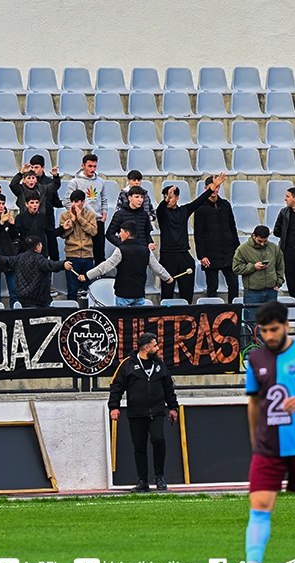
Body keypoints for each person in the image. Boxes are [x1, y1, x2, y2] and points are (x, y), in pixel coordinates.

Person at [223, 300, 295, 563]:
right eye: (265, 331)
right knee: (259, 505)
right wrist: (255, 441)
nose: (270, 336)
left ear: (287, 326)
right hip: (268, 448)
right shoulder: (256, 360)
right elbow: (254, 403)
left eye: (275, 330)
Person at [108, 333, 179, 492]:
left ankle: (159, 477)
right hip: (136, 413)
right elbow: (116, 386)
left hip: (157, 411)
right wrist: (114, 407)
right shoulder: (127, 364)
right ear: (146, 348)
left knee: (158, 440)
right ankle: (142, 481)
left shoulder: (160, 364)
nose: (158, 348)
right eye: (155, 345)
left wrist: (173, 407)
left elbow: (168, 387)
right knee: (139, 447)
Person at [79, 224, 173, 307]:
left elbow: (105, 267)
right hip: (138, 293)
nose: (119, 234)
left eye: (121, 231)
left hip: (123, 294)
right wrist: (167, 278)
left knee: (122, 321)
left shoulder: (121, 250)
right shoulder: (146, 251)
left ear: (127, 234)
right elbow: (157, 268)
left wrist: (87, 275)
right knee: (137, 321)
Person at [156, 177, 218, 303]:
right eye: (165, 197)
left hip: (184, 255)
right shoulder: (163, 213)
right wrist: (167, 198)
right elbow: (160, 209)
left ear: (177, 198)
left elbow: (199, 201)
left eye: (171, 197)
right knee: (167, 293)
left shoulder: (184, 210)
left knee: (187, 293)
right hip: (168, 256)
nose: (167, 200)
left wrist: (211, 188)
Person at [0, 236, 73, 309]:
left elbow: (7, 260)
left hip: (22, 298)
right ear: (38, 247)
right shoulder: (39, 259)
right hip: (38, 299)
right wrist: (63, 264)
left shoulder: (19, 258)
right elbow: (51, 264)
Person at [194, 174, 239, 302]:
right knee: (212, 286)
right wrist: (202, 255)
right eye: (212, 187)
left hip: (228, 251)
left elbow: (232, 228)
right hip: (211, 253)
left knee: (234, 284)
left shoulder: (225, 205)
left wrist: (237, 249)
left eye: (217, 187)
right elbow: (199, 234)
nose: (215, 190)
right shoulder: (201, 209)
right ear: (206, 188)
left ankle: (233, 312)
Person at [65, 154, 108, 265]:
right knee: (83, 251)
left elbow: (104, 199)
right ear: (83, 165)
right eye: (90, 166)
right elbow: (67, 201)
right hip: (81, 220)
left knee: (99, 252)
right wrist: (76, 214)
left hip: (97, 220)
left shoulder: (100, 182)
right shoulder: (74, 182)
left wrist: (104, 214)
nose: (92, 169)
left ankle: (100, 277)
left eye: (94, 166)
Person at [10, 161, 61, 254]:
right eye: (28, 178)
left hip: (39, 221)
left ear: (36, 180)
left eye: (33, 178)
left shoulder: (42, 189)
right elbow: (12, 185)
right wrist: (21, 173)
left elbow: (55, 186)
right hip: (25, 223)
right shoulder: (21, 190)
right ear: (24, 180)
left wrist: (56, 176)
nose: (31, 180)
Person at [232, 225, 284, 310]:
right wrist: (253, 267)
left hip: (271, 290)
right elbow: (236, 268)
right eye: (260, 241)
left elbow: (280, 266)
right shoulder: (242, 249)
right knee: (252, 322)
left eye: (265, 241)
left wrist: (279, 283)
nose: (262, 244)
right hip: (252, 292)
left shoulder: (274, 247)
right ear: (254, 236)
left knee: (271, 322)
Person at [58, 190, 97, 302]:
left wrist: (80, 219)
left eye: (76, 201)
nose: (74, 204)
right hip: (72, 256)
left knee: (89, 289)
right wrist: (73, 221)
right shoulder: (65, 216)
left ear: (83, 202)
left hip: (87, 255)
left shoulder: (90, 215)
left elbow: (94, 231)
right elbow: (63, 235)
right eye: (72, 202)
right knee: (72, 289)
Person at [27, 154, 64, 260]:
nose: (33, 170)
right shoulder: (28, 182)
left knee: (52, 248)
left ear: (43, 167)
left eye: (36, 167)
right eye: (32, 167)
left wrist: (66, 202)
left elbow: (55, 201)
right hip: (32, 219)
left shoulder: (49, 182)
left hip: (47, 218)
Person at [106, 185, 154, 249]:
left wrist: (150, 243)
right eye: (137, 197)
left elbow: (147, 233)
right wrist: (122, 245)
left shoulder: (144, 214)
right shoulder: (120, 214)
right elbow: (109, 234)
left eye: (142, 197)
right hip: (127, 252)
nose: (140, 200)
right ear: (130, 198)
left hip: (143, 250)